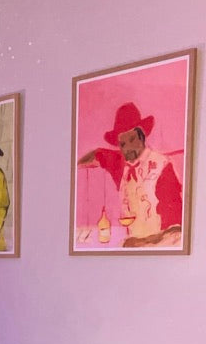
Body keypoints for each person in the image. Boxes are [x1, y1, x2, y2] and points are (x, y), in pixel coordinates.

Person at [77, 101, 183, 247]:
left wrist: (142, 242)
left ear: (142, 137)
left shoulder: (163, 167)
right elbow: (96, 155)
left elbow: (176, 230)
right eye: (123, 144)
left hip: (160, 246)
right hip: (132, 245)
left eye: (132, 139)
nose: (128, 148)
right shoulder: (120, 164)